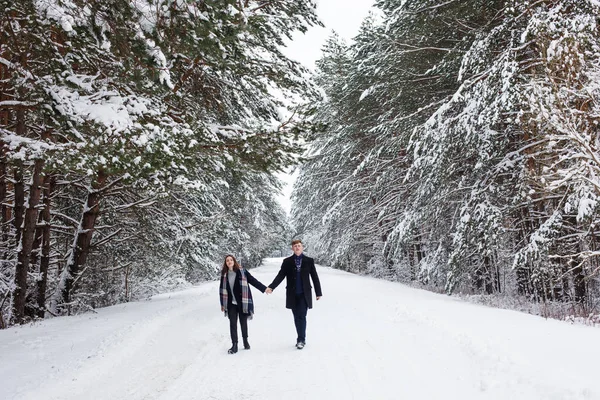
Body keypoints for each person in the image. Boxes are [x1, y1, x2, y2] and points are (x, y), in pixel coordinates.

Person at [266, 239, 322, 349]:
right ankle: (300, 337)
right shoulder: (287, 262)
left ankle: (301, 339)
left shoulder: (309, 261)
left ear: (302, 247)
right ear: (292, 248)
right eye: (295, 246)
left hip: (304, 294)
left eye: (299, 246)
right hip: (292, 294)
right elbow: (280, 275)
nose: (297, 247)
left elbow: (314, 277)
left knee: (302, 316)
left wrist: (318, 292)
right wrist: (271, 287)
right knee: (296, 317)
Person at [219, 254, 267, 354]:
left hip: (242, 302)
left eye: (231, 260)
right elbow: (221, 290)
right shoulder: (224, 275)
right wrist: (222, 304)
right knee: (232, 324)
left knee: (243, 322)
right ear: (226, 263)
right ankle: (234, 344)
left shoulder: (242, 272)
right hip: (231, 303)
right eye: (227, 260)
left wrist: (264, 288)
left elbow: (253, 281)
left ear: (234, 261)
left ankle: (245, 341)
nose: (229, 262)